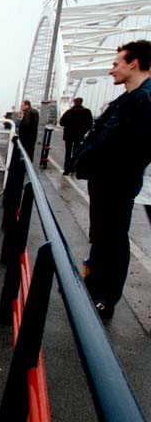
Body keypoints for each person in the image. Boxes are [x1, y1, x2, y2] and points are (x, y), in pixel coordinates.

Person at [72, 39, 151, 319]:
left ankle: (105, 298)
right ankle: (94, 287)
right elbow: (100, 136)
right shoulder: (129, 99)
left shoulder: (143, 101)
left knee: (113, 239)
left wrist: (87, 159)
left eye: (116, 64)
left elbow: (126, 147)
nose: (111, 70)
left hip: (117, 182)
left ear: (134, 63)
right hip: (106, 181)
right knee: (103, 236)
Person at [59, 97, 93, 175]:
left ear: (74, 103)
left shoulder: (69, 112)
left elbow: (61, 123)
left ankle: (66, 168)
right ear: (81, 102)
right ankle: (73, 168)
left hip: (68, 135)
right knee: (76, 152)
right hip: (79, 135)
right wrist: (84, 131)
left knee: (68, 152)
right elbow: (90, 124)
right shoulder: (87, 112)